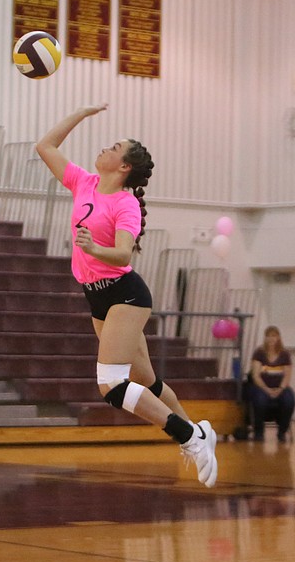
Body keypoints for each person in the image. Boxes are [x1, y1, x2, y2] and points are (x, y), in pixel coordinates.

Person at [35, 104, 219, 487]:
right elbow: (45, 146)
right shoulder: (83, 182)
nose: (106, 146)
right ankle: (199, 432)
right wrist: (81, 114)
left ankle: (187, 438)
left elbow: (122, 254)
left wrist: (92, 248)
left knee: (113, 385)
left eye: (114, 146)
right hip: (97, 297)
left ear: (123, 167)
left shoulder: (125, 203)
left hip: (125, 295)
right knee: (146, 381)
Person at [249, 325, 295, 442]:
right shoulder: (259, 353)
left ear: (278, 338)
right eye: (268, 336)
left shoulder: (285, 354)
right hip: (262, 387)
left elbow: (287, 375)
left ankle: (282, 432)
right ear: (265, 338)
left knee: (290, 400)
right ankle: (259, 432)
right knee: (260, 400)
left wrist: (280, 389)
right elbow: (256, 375)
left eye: (274, 336)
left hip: (280, 387)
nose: (271, 339)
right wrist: (267, 389)